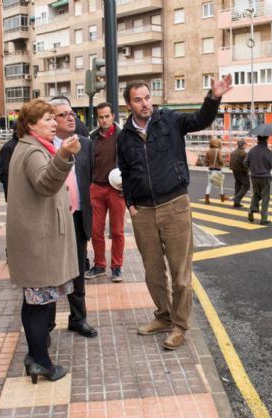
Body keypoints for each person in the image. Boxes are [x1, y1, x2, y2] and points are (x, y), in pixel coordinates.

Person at [117, 75, 233, 350]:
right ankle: (163, 316)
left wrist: (214, 97)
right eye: (138, 99)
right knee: (153, 273)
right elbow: (124, 170)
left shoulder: (169, 120)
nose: (145, 103)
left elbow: (200, 120)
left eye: (147, 97)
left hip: (175, 205)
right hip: (143, 211)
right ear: (128, 104)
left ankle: (180, 326)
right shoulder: (124, 137)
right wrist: (130, 204)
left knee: (181, 273)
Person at [7, 99, 78, 383]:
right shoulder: (33, 151)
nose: (53, 123)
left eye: (53, 118)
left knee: (40, 302)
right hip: (39, 242)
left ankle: (35, 355)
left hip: (42, 239)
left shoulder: (35, 147)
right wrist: (63, 157)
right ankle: (40, 361)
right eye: (47, 119)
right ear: (31, 125)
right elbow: (45, 184)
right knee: (38, 304)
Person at [50, 97, 98, 339]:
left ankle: (78, 319)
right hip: (52, 221)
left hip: (78, 217)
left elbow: (87, 177)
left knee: (78, 272)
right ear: (51, 120)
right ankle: (46, 324)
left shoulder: (85, 144)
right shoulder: (45, 146)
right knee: (50, 273)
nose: (70, 117)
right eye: (62, 114)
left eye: (71, 113)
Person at [86, 102, 126, 283]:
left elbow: (132, 161)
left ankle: (116, 267)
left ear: (113, 116)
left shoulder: (123, 137)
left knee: (117, 231)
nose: (104, 120)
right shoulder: (91, 138)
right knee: (96, 231)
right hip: (96, 188)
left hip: (117, 190)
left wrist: (128, 184)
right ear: (97, 118)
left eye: (107, 116)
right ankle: (99, 265)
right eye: (101, 117)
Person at [246, 136, 272, 225]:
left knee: (256, 194)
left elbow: (246, 162)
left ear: (258, 140)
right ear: (266, 140)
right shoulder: (268, 152)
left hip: (254, 176)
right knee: (265, 197)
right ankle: (263, 218)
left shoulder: (252, 151)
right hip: (265, 177)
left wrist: (252, 168)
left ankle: (252, 210)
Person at [203, 136, 227, 204]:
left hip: (210, 169)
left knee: (209, 184)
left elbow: (205, 161)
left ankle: (206, 199)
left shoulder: (208, 151)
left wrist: (209, 164)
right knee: (220, 184)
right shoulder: (218, 150)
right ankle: (222, 197)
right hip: (217, 169)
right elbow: (220, 160)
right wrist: (222, 164)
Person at [0, 121, 19, 201]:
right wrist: (9, 195)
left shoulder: (28, 145)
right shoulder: (8, 147)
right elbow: (5, 174)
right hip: (14, 192)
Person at [229, 139, 249, 208]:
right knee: (247, 186)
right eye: (245, 144)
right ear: (242, 145)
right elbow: (245, 165)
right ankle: (237, 198)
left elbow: (230, 162)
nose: (245, 146)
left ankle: (236, 203)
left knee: (238, 186)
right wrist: (246, 172)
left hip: (235, 171)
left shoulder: (233, 152)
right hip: (242, 172)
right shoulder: (243, 153)